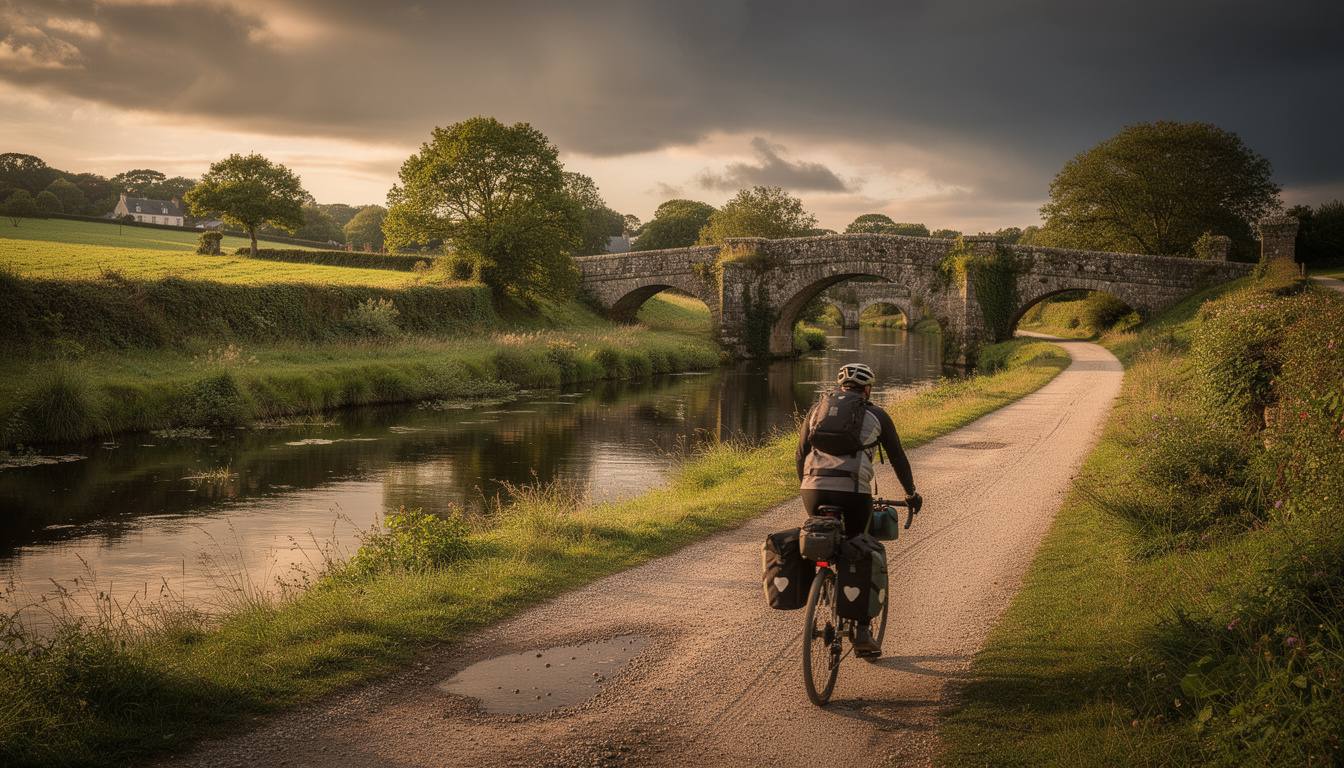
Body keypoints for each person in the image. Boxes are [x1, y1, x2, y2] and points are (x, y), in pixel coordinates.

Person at [796, 362, 921, 654]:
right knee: (861, 548)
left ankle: (822, 578)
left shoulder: (816, 410)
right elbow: (898, 457)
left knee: (824, 537)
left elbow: (801, 455)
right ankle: (863, 632)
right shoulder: (877, 414)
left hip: (812, 490)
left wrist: (808, 485)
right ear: (867, 389)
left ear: (842, 387)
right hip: (853, 492)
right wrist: (910, 494)